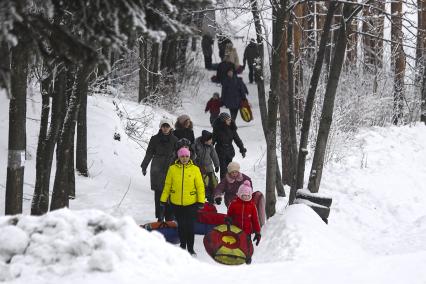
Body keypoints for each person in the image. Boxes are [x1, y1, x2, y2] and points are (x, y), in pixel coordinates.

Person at [160, 147, 205, 256]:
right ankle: (182, 246)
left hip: (191, 203)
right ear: (178, 157)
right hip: (176, 203)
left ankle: (190, 248)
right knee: (181, 225)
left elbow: (200, 186)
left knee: (190, 226)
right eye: (182, 156)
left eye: (186, 156)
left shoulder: (195, 169)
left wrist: (201, 201)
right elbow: (167, 185)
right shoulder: (172, 169)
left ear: (189, 156)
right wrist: (163, 199)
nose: (184, 158)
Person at [141, 118, 178, 222]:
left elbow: (179, 155)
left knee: (170, 192)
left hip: (170, 167)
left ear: (171, 127)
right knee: (159, 193)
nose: (165, 128)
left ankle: (170, 217)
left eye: (167, 126)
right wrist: (144, 166)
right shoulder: (154, 139)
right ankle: (160, 216)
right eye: (163, 126)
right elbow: (149, 153)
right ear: (160, 127)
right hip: (157, 167)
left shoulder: (175, 140)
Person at [226, 180, 261, 264]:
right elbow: (229, 214)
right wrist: (228, 219)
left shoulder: (252, 206)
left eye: (247, 195)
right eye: (243, 195)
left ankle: (247, 256)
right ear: (240, 194)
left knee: (247, 244)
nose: (245, 197)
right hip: (235, 229)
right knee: (235, 243)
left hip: (247, 230)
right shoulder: (234, 204)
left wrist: (257, 232)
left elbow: (255, 220)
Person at [213, 113, 247, 179]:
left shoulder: (232, 128)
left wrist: (242, 149)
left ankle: (229, 184)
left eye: (230, 119)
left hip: (229, 151)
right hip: (220, 151)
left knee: (229, 169)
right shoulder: (217, 129)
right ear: (223, 121)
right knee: (223, 170)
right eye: (228, 120)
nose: (230, 121)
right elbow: (212, 141)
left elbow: (237, 139)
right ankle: (223, 185)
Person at [194, 130, 220, 203]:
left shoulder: (210, 145)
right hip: (200, 167)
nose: (211, 141)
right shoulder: (196, 144)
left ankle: (217, 196)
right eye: (210, 139)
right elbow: (193, 156)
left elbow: (214, 155)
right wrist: (196, 166)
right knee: (206, 182)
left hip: (209, 166)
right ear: (205, 140)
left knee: (214, 181)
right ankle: (209, 196)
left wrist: (217, 165)